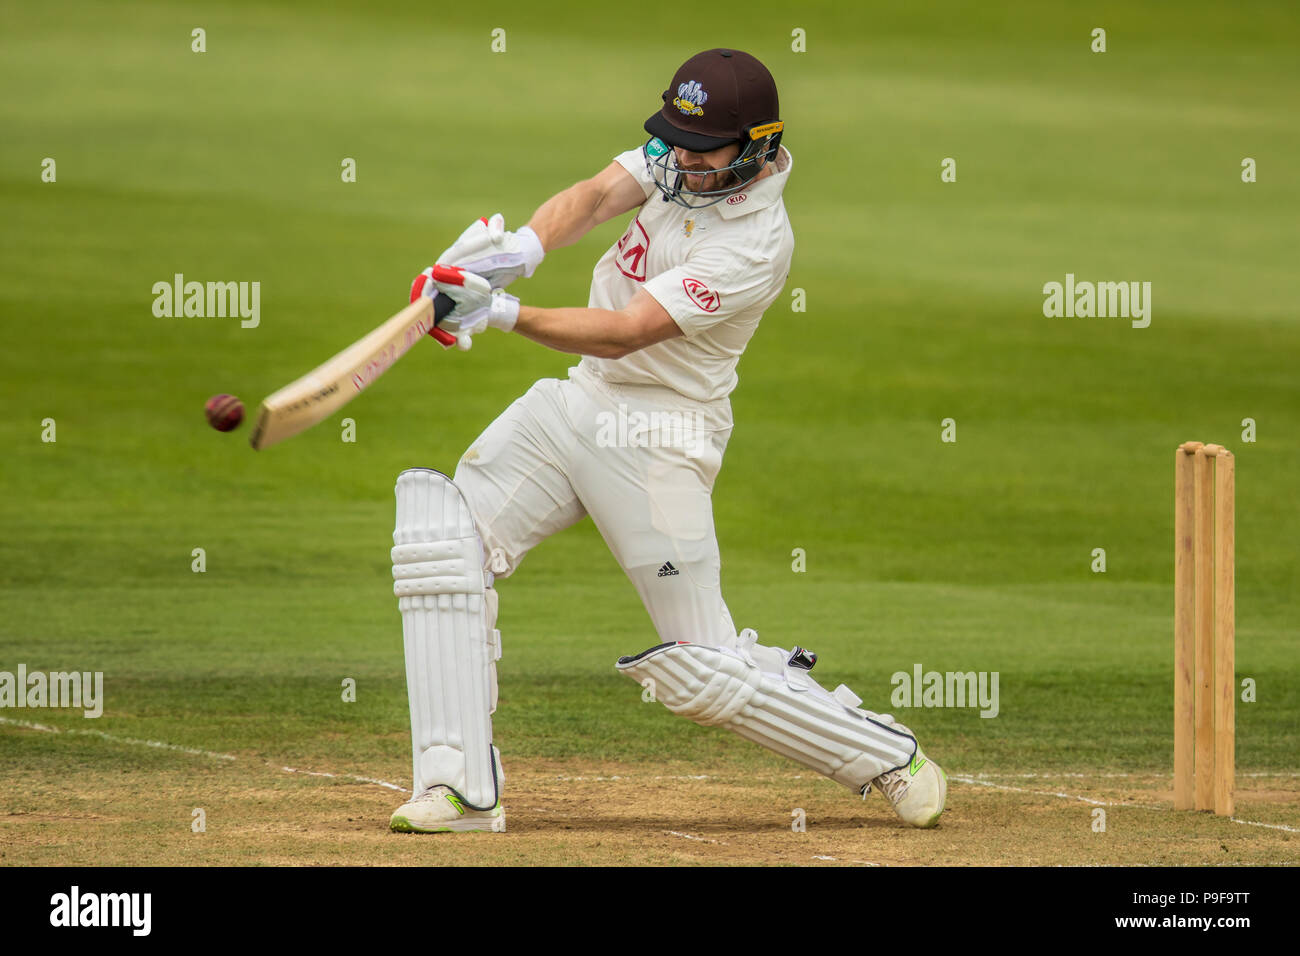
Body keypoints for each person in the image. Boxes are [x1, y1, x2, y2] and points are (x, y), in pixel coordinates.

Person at [387, 48, 946, 834]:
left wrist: (502, 313)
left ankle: (882, 753)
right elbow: (590, 197)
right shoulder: (680, 155)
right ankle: (459, 788)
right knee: (442, 544)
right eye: (673, 139)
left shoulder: (756, 243)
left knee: (699, 666)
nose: (680, 158)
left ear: (756, 146)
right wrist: (519, 252)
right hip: (577, 401)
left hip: (660, 437)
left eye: (703, 147)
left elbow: (627, 332)